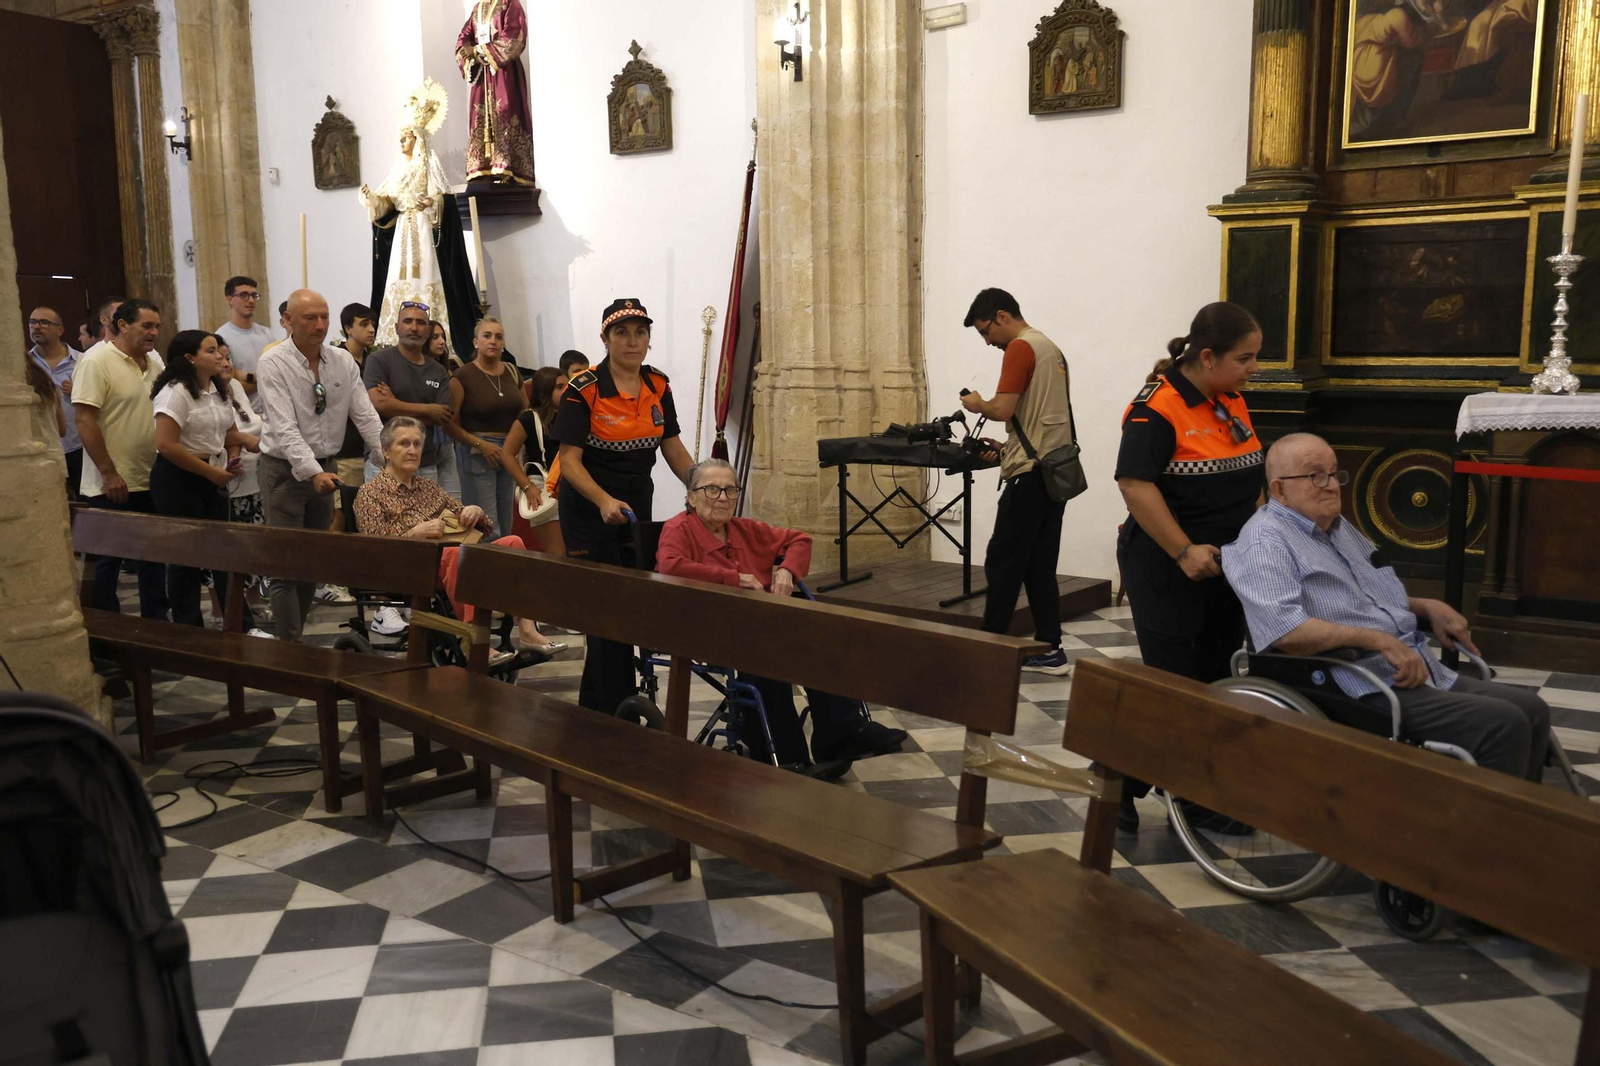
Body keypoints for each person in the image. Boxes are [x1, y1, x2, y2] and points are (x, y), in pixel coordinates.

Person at [1223, 434, 1551, 782]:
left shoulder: (1336, 526)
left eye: (1334, 474)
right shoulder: (1265, 541)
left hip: (1404, 665)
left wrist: (1425, 606)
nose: (1332, 485)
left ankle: (1519, 826)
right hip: (1351, 682)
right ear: (1279, 489)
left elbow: (1365, 599)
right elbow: (1287, 631)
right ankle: (1485, 832)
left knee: (1532, 710)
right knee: (1503, 724)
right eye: (1315, 475)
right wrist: (1378, 640)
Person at [1113, 301, 1263, 832]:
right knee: (1178, 685)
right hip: (1167, 565)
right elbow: (1135, 483)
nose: (1252, 369)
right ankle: (1192, 797)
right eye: (1244, 358)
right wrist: (1183, 550)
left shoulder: (1230, 399)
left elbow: (1246, 471)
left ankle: (1116, 780)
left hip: (1227, 562)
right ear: (1207, 356)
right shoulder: (1156, 406)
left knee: (1215, 676)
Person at [657, 458, 908, 766]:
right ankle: (789, 758)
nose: (722, 497)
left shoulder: (746, 530)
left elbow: (800, 540)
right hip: (713, 628)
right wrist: (734, 579)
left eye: (730, 490)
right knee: (770, 655)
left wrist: (786, 571)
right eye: (711, 489)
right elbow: (670, 566)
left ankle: (841, 737)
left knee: (825, 634)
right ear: (691, 496)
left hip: (766, 621)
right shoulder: (678, 529)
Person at [554, 298, 694, 715]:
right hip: (587, 506)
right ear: (605, 338)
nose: (632, 341)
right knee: (606, 608)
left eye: (640, 332)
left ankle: (594, 713)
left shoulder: (658, 385)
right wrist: (601, 500)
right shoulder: (584, 389)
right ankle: (620, 710)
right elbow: (570, 461)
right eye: (621, 333)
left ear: (648, 339)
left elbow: (672, 448)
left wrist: (704, 485)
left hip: (635, 501)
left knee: (626, 604)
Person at [959, 287, 1075, 676]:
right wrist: (1007, 445)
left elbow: (1002, 408)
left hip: (1030, 476)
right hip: (1054, 470)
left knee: (1003, 561)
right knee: (1039, 565)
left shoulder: (1020, 349)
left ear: (1002, 317)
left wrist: (978, 404)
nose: (988, 341)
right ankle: (1050, 647)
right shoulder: (1050, 348)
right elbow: (1035, 416)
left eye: (985, 331)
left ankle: (991, 647)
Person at [257, 289, 384, 642]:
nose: (320, 325)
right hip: (283, 470)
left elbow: (365, 414)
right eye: (310, 318)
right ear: (288, 322)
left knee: (311, 561)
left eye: (324, 316)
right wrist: (312, 471)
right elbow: (284, 428)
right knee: (286, 565)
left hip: (327, 468)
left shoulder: (342, 361)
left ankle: (296, 639)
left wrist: (386, 458)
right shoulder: (273, 362)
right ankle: (290, 647)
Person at [353, 416, 530, 667]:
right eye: (404, 444)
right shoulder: (370, 493)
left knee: (513, 542)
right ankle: (473, 641)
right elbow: (374, 550)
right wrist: (414, 533)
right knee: (456, 556)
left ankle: (527, 629)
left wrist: (476, 512)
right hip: (405, 568)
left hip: (450, 561)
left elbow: (480, 525)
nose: (412, 450)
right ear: (386, 451)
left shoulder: (429, 487)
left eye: (416, 444)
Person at [72, 298, 168, 619]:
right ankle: (108, 638)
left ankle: (155, 630)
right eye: (147, 326)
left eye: (157, 326)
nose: (154, 332)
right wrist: (109, 472)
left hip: (150, 477)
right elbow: (85, 420)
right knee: (108, 565)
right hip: (111, 484)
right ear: (122, 325)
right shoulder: (96, 361)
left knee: (153, 561)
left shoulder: (154, 360)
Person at [149, 331, 246, 626]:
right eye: (211, 350)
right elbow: (166, 444)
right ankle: (189, 628)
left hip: (212, 475)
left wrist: (232, 456)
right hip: (178, 479)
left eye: (219, 350)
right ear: (190, 358)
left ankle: (238, 623)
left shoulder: (218, 388)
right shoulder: (175, 391)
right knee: (186, 559)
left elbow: (228, 431)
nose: (220, 356)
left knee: (223, 554)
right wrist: (212, 473)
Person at [362, 78, 455, 348]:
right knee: (398, 277)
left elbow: (442, 197)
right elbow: (387, 201)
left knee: (426, 271)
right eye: (400, 137)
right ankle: (392, 335)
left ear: (418, 139)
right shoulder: (398, 170)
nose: (401, 141)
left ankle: (434, 333)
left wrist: (432, 202)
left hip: (423, 227)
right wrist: (372, 199)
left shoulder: (426, 166)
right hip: (403, 227)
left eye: (406, 136)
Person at [447, 316, 525, 534]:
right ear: (475, 342)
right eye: (487, 336)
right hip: (477, 452)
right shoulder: (463, 375)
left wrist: (517, 446)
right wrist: (482, 445)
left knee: (507, 523)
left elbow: (524, 413)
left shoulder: (511, 371)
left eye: (499, 337)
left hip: (509, 449)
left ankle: (507, 564)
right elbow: (449, 425)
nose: (493, 341)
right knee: (487, 525)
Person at [215, 346, 272, 637]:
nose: (225, 363)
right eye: (218, 357)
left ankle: (251, 598)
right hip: (226, 478)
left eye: (228, 358)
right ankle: (221, 611)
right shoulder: (206, 392)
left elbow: (248, 421)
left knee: (252, 545)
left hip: (252, 478)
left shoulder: (235, 386)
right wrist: (243, 439)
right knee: (230, 549)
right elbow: (224, 432)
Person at [455, 0, 536, 186]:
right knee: (479, 116)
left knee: (506, 109)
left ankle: (510, 167)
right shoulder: (478, 9)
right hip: (482, 76)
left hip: (504, 73)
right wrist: (467, 54)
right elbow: (463, 39)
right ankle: (483, 168)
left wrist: (478, 51)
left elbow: (515, 35)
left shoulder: (509, 4)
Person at [330, 302, 379, 522]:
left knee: (366, 516)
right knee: (341, 514)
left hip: (369, 451)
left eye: (373, 324)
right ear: (348, 329)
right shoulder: (335, 359)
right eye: (364, 324)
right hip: (345, 451)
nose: (371, 329)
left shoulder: (375, 361)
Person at [27, 306, 82, 495]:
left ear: (60, 330)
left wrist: (80, 391)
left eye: (44, 322)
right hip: (43, 448)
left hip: (79, 446)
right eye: (32, 322)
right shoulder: (25, 364)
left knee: (85, 506)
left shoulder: (82, 362)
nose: (36, 327)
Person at [215, 276, 275, 416]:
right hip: (244, 417)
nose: (251, 300)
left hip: (272, 413)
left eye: (254, 295)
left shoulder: (267, 334)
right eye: (244, 295)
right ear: (230, 299)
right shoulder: (221, 337)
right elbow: (231, 385)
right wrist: (265, 379)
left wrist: (247, 377)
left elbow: (279, 375)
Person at [24, 349, 67, 480]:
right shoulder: (48, 385)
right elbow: (62, 429)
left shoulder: (16, 392)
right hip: (54, 457)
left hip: (26, 460)